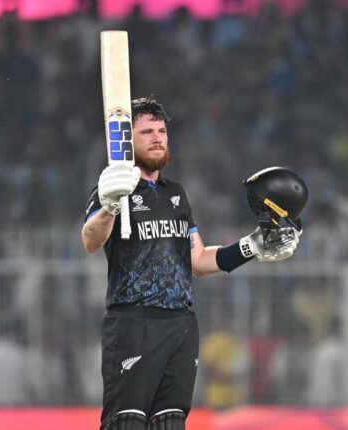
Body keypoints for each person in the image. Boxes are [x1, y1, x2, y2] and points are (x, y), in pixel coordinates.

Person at [81, 96, 303, 430]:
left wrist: (251, 247)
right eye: (146, 132)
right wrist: (110, 206)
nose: (157, 138)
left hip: (181, 326)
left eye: (161, 131)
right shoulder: (111, 189)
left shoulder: (176, 194)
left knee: (172, 423)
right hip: (133, 325)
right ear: (127, 142)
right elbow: (90, 240)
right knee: (126, 423)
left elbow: (196, 260)